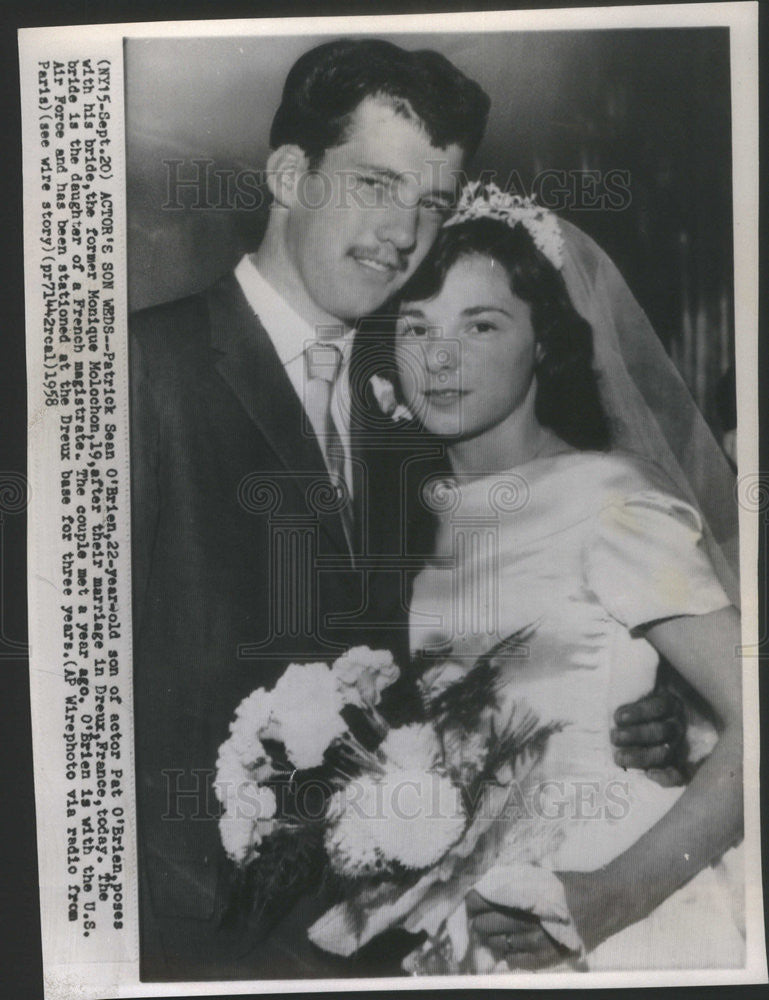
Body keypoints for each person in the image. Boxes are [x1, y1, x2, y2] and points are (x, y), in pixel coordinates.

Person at [130, 40, 688, 980]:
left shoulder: (425, 402)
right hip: (191, 947)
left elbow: (497, 623)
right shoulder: (138, 374)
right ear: (287, 175)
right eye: (375, 184)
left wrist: (642, 697)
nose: (403, 230)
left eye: (431, 201)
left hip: (391, 937)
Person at [393, 186, 744, 971]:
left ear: (542, 341)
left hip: (614, 896)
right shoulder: (403, 520)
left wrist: (606, 896)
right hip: (458, 911)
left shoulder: (607, 499)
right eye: (415, 328)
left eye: (480, 325)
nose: (439, 358)